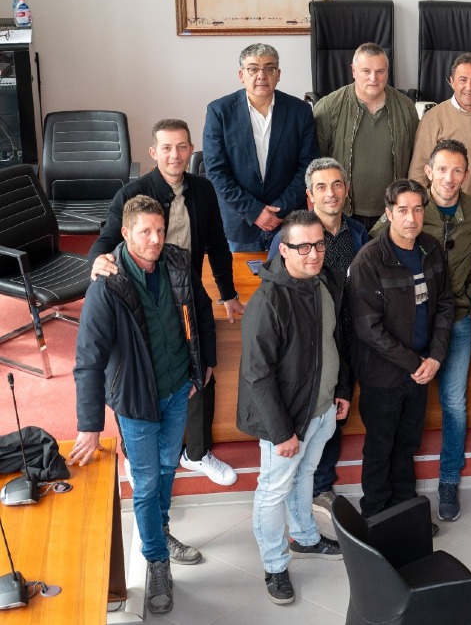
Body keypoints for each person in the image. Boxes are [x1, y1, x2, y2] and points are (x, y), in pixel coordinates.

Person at [70, 196, 214, 616]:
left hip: (177, 391)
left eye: (159, 230)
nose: (154, 240)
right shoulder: (107, 285)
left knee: (169, 468)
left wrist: (199, 368)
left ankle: (160, 530)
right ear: (126, 233)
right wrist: (89, 423)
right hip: (135, 400)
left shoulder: (175, 261)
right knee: (148, 482)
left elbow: (197, 312)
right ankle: (156, 559)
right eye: (145, 232)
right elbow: (88, 360)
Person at [88, 119, 240, 487]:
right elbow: (106, 238)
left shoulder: (203, 189)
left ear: (191, 150)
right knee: (138, 375)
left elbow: (218, 245)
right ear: (154, 152)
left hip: (187, 289)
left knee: (203, 366)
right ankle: (133, 452)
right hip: (143, 292)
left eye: (182, 147)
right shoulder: (134, 193)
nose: (175, 155)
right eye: (167, 148)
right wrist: (97, 260)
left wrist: (228, 293)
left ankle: (197, 452)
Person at [238, 210, 351, 605]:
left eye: (319, 244)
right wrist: (281, 431)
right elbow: (257, 375)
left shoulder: (325, 283)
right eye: (302, 247)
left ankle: (304, 537)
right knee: (273, 489)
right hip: (287, 421)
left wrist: (342, 389)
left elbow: (336, 342)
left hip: (322, 409)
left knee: (306, 475)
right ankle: (274, 565)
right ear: (282, 250)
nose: (313, 254)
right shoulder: (268, 301)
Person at [266, 158, 370, 530]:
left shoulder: (359, 235)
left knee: (335, 415)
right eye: (322, 187)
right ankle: (302, 490)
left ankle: (320, 486)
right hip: (307, 346)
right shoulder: (291, 236)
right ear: (310, 195)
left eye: (338, 185)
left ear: (346, 189)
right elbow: (273, 287)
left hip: (348, 338)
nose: (331, 193)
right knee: (309, 415)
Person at [348, 179, 454, 518]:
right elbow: (367, 327)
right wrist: (413, 362)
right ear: (388, 213)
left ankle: (404, 512)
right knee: (381, 447)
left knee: (408, 444)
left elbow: (445, 305)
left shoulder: (431, 249)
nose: (411, 218)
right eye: (403, 210)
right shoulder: (369, 259)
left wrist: (435, 357)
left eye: (418, 210)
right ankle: (376, 515)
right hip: (385, 375)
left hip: (422, 371)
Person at [419, 139, 471, 520]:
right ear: (428, 171)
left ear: (466, 174)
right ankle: (401, 488)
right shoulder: (410, 207)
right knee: (409, 404)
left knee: (454, 402)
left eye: (457, 170)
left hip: (460, 320)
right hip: (415, 324)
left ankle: (448, 480)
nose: (449, 178)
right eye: (442, 169)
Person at [203, 43, 318, 251]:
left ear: (278, 74)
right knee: (241, 282)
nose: (261, 75)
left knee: (290, 281)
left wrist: (279, 210)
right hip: (241, 223)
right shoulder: (220, 112)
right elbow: (216, 172)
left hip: (288, 220)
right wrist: (254, 211)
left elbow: (308, 167)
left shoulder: (300, 112)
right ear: (241, 75)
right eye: (253, 68)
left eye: (269, 68)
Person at [313, 42, 419, 227]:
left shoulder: (406, 107)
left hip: (393, 213)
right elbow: (316, 164)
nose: (373, 78)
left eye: (380, 71)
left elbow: (415, 158)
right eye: (366, 71)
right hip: (343, 214)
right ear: (353, 71)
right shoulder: (328, 107)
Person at [407, 52, 471, 209]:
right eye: (463, 80)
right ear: (452, 81)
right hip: (445, 212)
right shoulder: (433, 118)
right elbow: (419, 172)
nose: (469, 87)